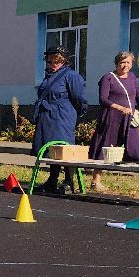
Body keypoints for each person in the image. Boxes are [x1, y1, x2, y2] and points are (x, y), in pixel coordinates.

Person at [89, 51, 139, 191]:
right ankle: (95, 182)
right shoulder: (108, 78)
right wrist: (120, 108)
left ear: (132, 64)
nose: (125, 65)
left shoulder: (132, 78)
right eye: (122, 62)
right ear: (117, 63)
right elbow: (103, 99)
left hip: (129, 121)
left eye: (128, 62)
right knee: (104, 150)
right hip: (111, 119)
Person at [33, 46, 87, 195]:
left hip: (63, 116)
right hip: (48, 117)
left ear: (62, 60)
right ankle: (52, 181)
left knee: (66, 148)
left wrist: (75, 114)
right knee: (53, 150)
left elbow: (79, 98)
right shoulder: (49, 76)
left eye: (55, 60)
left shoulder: (71, 76)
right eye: (49, 61)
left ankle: (69, 182)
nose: (51, 63)